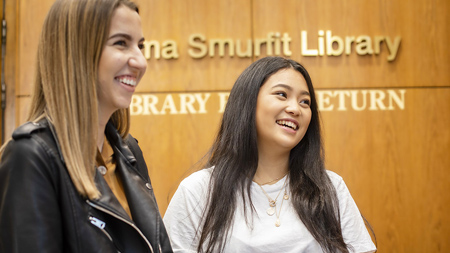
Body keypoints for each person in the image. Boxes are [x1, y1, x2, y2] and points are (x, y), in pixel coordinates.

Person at [0, 0, 173, 252]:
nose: (141, 61)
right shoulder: (31, 156)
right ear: (75, 52)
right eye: (121, 43)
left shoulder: (127, 151)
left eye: (141, 45)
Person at [163, 56, 376, 253]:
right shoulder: (198, 191)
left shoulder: (330, 188)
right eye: (282, 94)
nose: (295, 108)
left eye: (305, 102)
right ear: (247, 103)